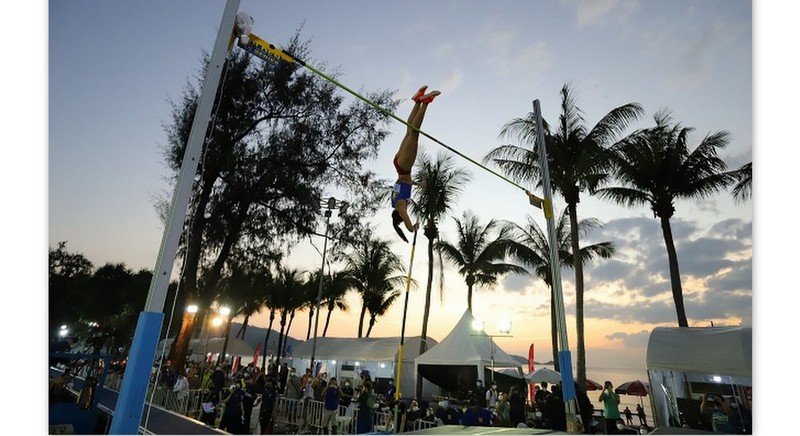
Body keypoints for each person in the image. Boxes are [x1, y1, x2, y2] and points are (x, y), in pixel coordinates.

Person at [390, 85, 440, 242]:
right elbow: (406, 182)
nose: (406, 211)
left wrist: (412, 229)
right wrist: (419, 184)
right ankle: (417, 101)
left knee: (414, 133)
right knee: (409, 132)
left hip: (404, 167)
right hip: (399, 165)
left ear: (398, 215)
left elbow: (406, 220)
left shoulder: (400, 206)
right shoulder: (397, 199)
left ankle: (425, 103)